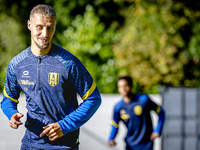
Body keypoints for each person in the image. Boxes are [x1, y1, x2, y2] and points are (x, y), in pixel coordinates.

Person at [1, 4, 101, 150]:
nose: (45, 34)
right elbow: (8, 99)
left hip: (64, 145)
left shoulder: (69, 63)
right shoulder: (17, 64)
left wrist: (64, 126)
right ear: (29, 25)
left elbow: (93, 99)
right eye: (39, 27)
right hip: (30, 143)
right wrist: (11, 113)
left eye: (50, 27)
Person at [108, 76, 165, 150]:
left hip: (146, 144)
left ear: (131, 86)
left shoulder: (144, 100)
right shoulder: (118, 107)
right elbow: (115, 124)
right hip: (130, 145)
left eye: (126, 86)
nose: (123, 89)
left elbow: (161, 112)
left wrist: (157, 130)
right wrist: (111, 139)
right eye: (120, 87)